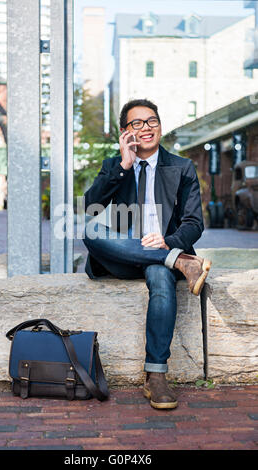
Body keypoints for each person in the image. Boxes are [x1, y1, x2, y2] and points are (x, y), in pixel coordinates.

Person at [83, 98, 211, 410]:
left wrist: (169, 242)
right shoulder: (116, 166)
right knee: (90, 231)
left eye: (151, 120)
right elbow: (90, 206)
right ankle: (181, 263)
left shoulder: (182, 168)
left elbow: (194, 223)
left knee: (161, 277)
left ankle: (156, 375)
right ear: (125, 132)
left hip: (162, 253)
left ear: (160, 126)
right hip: (125, 256)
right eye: (137, 123)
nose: (146, 127)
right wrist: (124, 166)